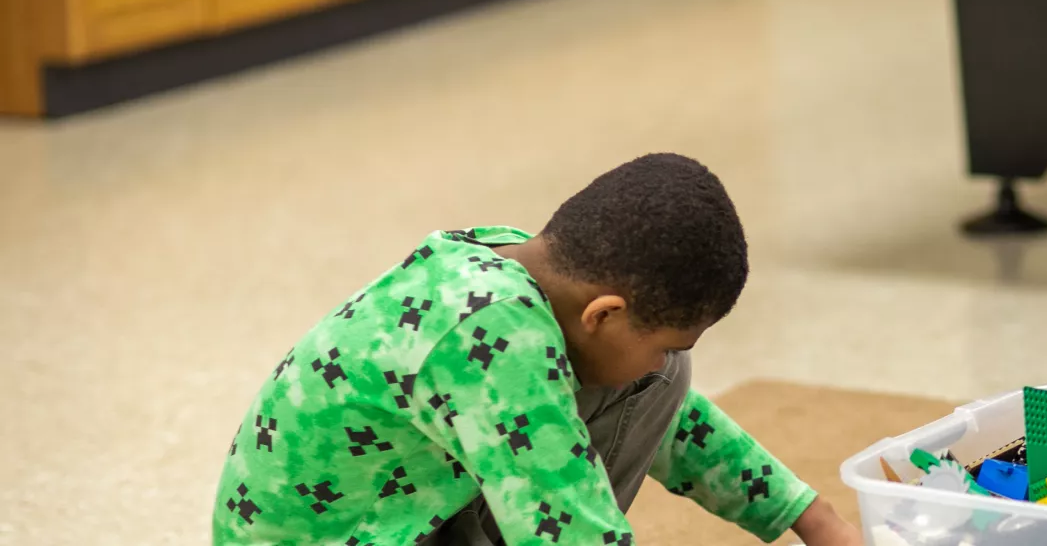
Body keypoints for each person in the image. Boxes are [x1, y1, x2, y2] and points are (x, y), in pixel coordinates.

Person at [212, 154, 862, 545]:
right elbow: (570, 532)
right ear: (604, 313)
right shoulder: (493, 328)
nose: (666, 358)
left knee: (658, 380)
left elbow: (671, 420)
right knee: (651, 378)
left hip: (402, 517)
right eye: (661, 339)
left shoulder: (533, 271)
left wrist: (812, 518)